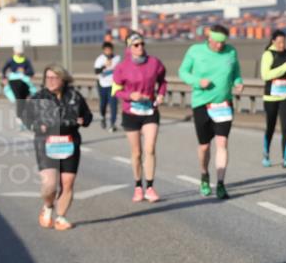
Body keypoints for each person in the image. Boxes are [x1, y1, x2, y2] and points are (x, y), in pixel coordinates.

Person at [22, 64, 92, 231]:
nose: (51, 81)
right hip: (46, 143)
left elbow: (87, 115)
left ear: (63, 79)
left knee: (67, 183)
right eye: (48, 78)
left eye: (55, 77)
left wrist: (84, 120)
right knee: (50, 184)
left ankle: (61, 218)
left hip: (69, 141)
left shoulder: (74, 96)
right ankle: (47, 206)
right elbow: (26, 118)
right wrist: (38, 125)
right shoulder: (38, 97)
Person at [178, 24, 243, 199]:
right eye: (217, 42)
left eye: (223, 42)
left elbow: (236, 72)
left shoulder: (231, 52)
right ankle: (204, 174)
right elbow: (182, 72)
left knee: (222, 143)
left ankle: (221, 184)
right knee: (205, 146)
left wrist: (238, 82)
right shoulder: (195, 51)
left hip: (224, 105)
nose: (220, 46)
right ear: (210, 38)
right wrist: (198, 81)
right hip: (202, 104)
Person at [112, 32, 168, 203]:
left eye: (142, 44)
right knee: (137, 153)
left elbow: (163, 81)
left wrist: (160, 95)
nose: (140, 47)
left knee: (150, 149)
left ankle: (150, 187)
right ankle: (138, 186)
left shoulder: (154, 63)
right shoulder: (122, 67)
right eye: (136, 45)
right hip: (131, 113)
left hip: (150, 111)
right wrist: (130, 95)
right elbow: (116, 91)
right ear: (129, 47)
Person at [260, 29, 286, 168]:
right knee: (270, 126)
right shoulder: (268, 54)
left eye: (284, 41)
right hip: (271, 97)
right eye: (279, 42)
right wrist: (283, 68)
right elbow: (265, 75)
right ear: (273, 41)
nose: (282, 44)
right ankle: (266, 154)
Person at [2, 45, 35, 125]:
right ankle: (19, 116)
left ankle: (23, 115)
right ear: (14, 52)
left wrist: (24, 72)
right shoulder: (11, 60)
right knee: (18, 98)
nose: (18, 54)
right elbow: (4, 69)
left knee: (24, 99)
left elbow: (31, 72)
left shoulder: (26, 60)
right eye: (17, 52)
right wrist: (4, 78)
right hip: (14, 81)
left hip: (24, 81)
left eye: (20, 53)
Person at [93, 41, 121, 132]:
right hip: (102, 84)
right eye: (106, 50)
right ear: (104, 50)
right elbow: (96, 72)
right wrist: (104, 66)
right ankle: (102, 117)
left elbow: (121, 70)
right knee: (103, 103)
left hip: (114, 84)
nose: (108, 51)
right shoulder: (100, 59)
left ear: (112, 50)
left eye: (110, 50)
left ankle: (112, 124)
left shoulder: (117, 58)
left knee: (113, 105)